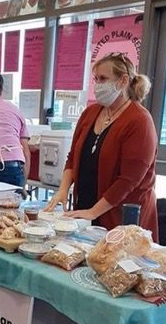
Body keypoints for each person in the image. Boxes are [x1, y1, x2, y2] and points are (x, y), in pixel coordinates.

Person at [45, 52, 159, 241]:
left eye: (103, 79)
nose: (97, 85)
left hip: (121, 218)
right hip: (86, 211)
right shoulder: (90, 113)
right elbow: (73, 158)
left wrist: (93, 212)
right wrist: (63, 190)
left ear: (123, 81)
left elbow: (128, 181)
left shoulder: (140, 121)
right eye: (96, 79)